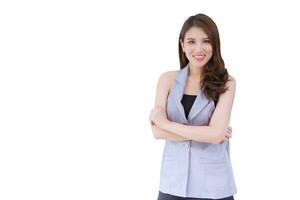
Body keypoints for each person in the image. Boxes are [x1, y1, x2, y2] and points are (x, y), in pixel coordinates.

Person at [149, 13, 237, 200]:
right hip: (173, 183)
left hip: (213, 185)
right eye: (191, 42)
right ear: (182, 45)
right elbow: (156, 133)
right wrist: (209, 132)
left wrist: (165, 124)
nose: (199, 48)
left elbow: (214, 136)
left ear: (215, 44)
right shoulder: (167, 80)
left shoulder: (226, 82)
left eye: (206, 41)